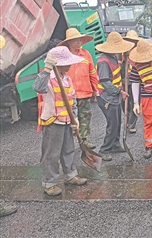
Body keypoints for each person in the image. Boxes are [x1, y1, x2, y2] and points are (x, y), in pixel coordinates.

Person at [33, 46, 88, 196]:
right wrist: (46, 69)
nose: (70, 65)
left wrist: (74, 117)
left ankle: (70, 175)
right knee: (52, 153)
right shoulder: (48, 78)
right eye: (67, 62)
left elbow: (73, 99)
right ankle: (49, 183)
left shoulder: (67, 78)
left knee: (68, 149)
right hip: (53, 121)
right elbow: (37, 88)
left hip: (66, 120)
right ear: (58, 64)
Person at [95, 32, 134, 161]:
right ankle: (105, 149)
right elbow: (105, 82)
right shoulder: (103, 62)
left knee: (117, 121)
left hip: (114, 96)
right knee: (112, 124)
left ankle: (116, 144)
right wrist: (119, 92)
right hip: (106, 97)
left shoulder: (113, 58)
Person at [58, 28, 99, 149]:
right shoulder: (64, 56)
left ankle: (84, 140)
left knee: (85, 117)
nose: (79, 42)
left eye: (80, 40)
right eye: (76, 40)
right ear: (69, 42)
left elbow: (92, 72)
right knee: (68, 119)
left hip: (85, 92)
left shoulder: (86, 54)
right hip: (69, 94)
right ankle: (68, 143)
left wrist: (95, 88)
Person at [122, 30, 141, 133]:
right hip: (124, 82)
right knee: (124, 103)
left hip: (135, 82)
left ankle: (131, 124)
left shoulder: (139, 54)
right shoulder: (122, 54)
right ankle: (127, 119)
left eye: (133, 41)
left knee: (135, 102)